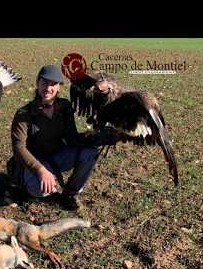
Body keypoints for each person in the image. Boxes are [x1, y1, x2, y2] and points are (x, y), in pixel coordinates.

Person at [8, 65, 122, 211]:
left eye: (53, 84)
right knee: (42, 189)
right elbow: (19, 148)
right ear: (37, 83)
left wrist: (98, 138)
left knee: (89, 153)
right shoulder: (24, 113)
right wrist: (41, 170)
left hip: (57, 157)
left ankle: (69, 194)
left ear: (59, 87)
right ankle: (24, 185)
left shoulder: (65, 107)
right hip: (34, 161)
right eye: (44, 83)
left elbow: (72, 138)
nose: (48, 88)